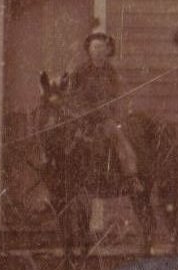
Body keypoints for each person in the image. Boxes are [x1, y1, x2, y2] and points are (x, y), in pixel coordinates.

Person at [69, 32, 142, 192]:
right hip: (83, 118)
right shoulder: (80, 71)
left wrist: (112, 111)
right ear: (89, 50)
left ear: (107, 50)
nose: (98, 51)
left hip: (105, 119)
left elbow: (117, 94)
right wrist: (85, 110)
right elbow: (72, 96)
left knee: (119, 138)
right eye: (95, 47)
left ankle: (131, 177)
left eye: (102, 47)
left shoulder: (110, 71)